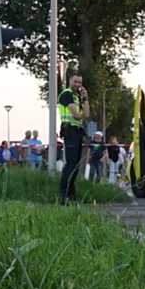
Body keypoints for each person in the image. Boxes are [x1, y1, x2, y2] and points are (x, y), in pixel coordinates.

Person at [58, 73, 90, 204]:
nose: (77, 85)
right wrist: (81, 116)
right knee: (71, 164)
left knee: (76, 165)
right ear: (70, 80)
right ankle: (63, 194)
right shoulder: (67, 94)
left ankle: (71, 194)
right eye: (75, 82)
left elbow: (86, 114)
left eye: (79, 83)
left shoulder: (77, 97)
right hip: (70, 131)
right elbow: (77, 115)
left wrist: (86, 98)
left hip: (77, 132)